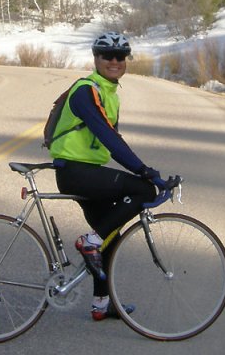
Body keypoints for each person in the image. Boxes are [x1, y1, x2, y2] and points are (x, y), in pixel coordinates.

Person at [48, 31, 163, 321]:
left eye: (120, 56)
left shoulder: (108, 93)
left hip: (88, 171)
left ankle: (101, 304)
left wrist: (140, 168)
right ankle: (90, 241)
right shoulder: (87, 90)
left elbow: (112, 142)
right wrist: (144, 171)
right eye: (106, 55)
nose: (114, 61)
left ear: (126, 61)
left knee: (109, 234)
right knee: (144, 191)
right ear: (95, 58)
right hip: (76, 172)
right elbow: (108, 137)